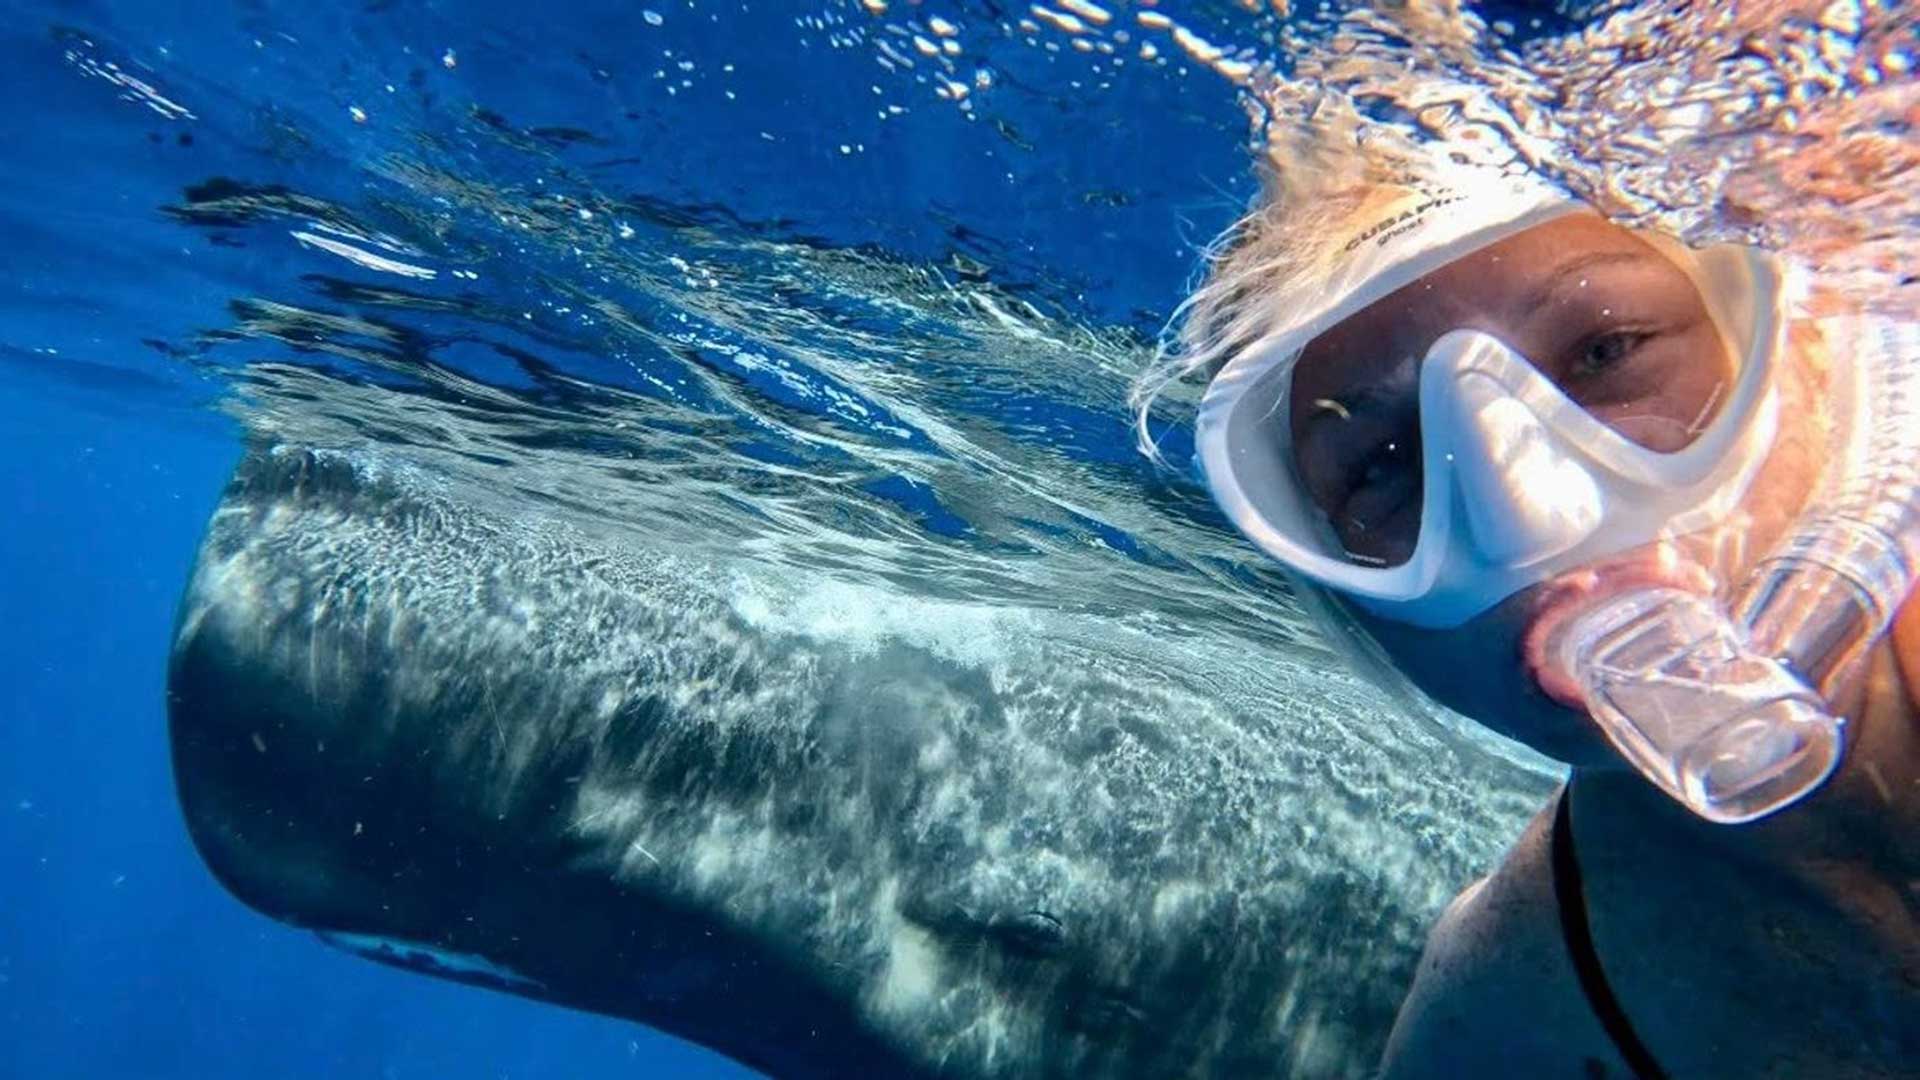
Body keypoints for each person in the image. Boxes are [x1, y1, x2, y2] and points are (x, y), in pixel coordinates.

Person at [1134, 153, 1920, 1077]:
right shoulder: (1511, 1018)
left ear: (1808, 357)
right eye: (1384, 461)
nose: (1533, 518)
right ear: (1353, 601)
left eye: (1605, 351)